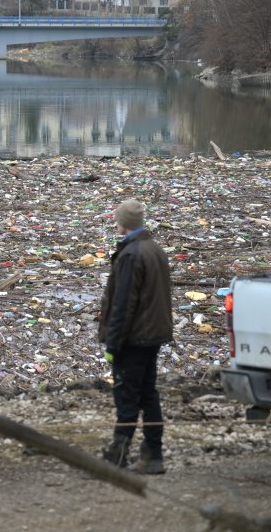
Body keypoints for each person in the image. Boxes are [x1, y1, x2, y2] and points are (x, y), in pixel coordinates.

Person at [98, 199, 173, 475]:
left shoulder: (131, 254)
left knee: (127, 396)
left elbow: (123, 304)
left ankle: (117, 455)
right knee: (148, 394)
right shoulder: (155, 249)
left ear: (123, 222)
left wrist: (113, 344)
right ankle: (153, 454)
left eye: (117, 219)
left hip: (135, 338)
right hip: (153, 336)